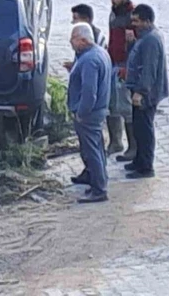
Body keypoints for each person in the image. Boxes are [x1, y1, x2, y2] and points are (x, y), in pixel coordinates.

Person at [67, 23, 112, 203]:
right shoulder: (100, 53)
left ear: (84, 40)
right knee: (97, 147)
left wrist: (81, 113)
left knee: (91, 150)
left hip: (89, 114)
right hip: (98, 111)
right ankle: (96, 179)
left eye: (73, 39)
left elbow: (89, 92)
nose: (71, 43)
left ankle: (99, 189)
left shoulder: (89, 61)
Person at [124, 4, 169, 180]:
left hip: (146, 93)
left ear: (147, 21)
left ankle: (145, 166)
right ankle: (139, 160)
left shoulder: (150, 40)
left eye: (137, 21)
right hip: (141, 89)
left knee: (144, 129)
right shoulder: (145, 37)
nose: (134, 24)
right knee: (138, 127)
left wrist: (141, 92)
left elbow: (149, 69)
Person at [108, 0, 137, 159]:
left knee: (125, 106)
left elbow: (135, 44)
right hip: (113, 61)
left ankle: (133, 146)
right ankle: (115, 142)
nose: (113, 0)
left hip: (124, 65)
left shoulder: (131, 15)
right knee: (111, 104)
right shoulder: (114, 13)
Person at [63, 4, 107, 73]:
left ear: (86, 19)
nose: (73, 22)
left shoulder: (98, 37)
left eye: (75, 18)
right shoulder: (80, 35)